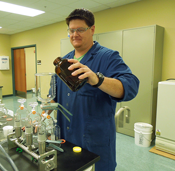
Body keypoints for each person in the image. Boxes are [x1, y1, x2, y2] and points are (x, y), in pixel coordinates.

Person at [51, 8, 140, 171]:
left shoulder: (108, 57)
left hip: (94, 143)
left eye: (80, 29)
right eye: (71, 30)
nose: (74, 34)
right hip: (66, 139)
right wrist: (42, 114)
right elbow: (54, 95)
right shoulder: (64, 61)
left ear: (92, 30)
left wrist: (97, 79)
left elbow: (131, 86)